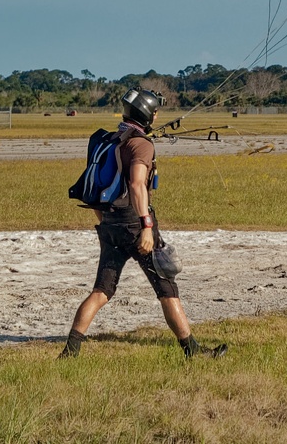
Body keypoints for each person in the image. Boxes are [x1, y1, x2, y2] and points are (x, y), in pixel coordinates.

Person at [59, 88, 227, 359]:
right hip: (135, 224)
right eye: (155, 111)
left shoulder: (109, 140)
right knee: (166, 287)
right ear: (147, 114)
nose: (158, 114)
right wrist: (146, 226)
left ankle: (71, 351)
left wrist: (106, 222)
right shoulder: (140, 145)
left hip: (110, 222)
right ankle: (192, 351)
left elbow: (97, 186)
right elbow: (137, 185)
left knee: (102, 290)